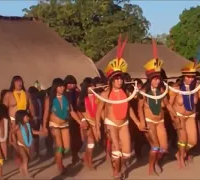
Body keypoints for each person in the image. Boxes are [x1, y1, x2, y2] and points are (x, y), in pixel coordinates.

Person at [93, 34, 147, 180]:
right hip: (111, 124)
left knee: (127, 152)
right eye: (116, 78)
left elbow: (128, 108)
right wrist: (97, 127)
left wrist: (137, 122)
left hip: (124, 123)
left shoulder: (126, 92)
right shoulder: (105, 94)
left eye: (121, 78)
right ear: (111, 80)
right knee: (116, 151)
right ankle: (115, 173)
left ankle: (120, 166)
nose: (119, 80)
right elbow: (98, 112)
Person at [137, 40, 179, 175]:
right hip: (149, 122)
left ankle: (156, 162)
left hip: (160, 121)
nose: (157, 80)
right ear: (149, 79)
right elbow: (139, 107)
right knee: (155, 147)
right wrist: (141, 121)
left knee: (164, 148)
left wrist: (174, 115)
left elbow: (167, 104)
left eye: (158, 78)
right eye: (155, 78)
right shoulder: (143, 91)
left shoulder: (161, 91)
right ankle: (151, 168)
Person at [168, 59, 200, 169]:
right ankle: (181, 157)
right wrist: (173, 118)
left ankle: (180, 153)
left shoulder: (196, 88)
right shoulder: (176, 88)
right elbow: (170, 105)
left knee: (193, 141)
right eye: (188, 77)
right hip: (179, 116)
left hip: (191, 116)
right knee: (183, 138)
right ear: (183, 77)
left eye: (192, 77)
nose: (190, 79)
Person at [42, 78, 86, 174]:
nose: (62, 88)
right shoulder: (49, 99)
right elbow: (46, 113)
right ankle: (59, 165)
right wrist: (44, 126)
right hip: (54, 125)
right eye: (60, 86)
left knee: (67, 147)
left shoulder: (66, 98)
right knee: (60, 146)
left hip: (65, 124)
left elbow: (72, 112)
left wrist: (80, 122)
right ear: (55, 87)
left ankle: (58, 158)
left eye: (63, 86)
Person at [10, 110, 46, 177]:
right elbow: (12, 132)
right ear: (21, 117)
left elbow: (33, 131)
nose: (28, 118)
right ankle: (27, 174)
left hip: (27, 144)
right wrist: (12, 141)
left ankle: (21, 168)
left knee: (27, 159)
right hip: (20, 145)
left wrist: (41, 132)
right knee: (25, 158)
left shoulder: (28, 125)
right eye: (26, 117)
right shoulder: (18, 126)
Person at [77, 77, 97, 169]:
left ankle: (86, 156)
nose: (92, 88)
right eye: (90, 86)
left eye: (93, 86)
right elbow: (79, 111)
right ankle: (89, 161)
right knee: (91, 142)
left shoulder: (97, 96)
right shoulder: (81, 99)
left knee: (92, 143)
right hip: (87, 122)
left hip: (95, 122)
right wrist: (83, 120)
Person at [64, 75, 83, 165]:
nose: (72, 85)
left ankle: (75, 154)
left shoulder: (76, 92)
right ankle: (74, 156)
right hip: (69, 118)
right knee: (72, 139)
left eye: (74, 83)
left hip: (77, 116)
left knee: (79, 139)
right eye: (70, 84)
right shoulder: (64, 94)